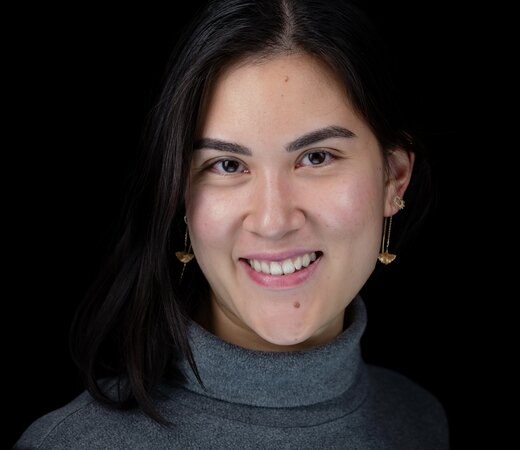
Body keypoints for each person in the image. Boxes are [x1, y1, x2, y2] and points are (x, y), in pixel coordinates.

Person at [14, 0, 448, 448]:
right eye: (227, 165)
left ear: (393, 178)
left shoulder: (422, 422)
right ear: (179, 195)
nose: (273, 221)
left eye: (316, 157)